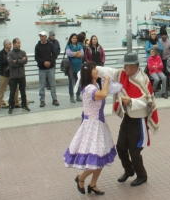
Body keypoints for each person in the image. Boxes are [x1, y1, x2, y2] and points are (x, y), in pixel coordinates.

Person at [96, 53, 159, 187]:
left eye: (126, 65)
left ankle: (142, 175)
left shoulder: (144, 79)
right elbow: (108, 71)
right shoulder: (123, 74)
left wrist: (130, 100)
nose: (124, 67)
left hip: (138, 118)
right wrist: (92, 68)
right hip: (128, 117)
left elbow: (147, 100)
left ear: (134, 66)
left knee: (134, 150)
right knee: (120, 146)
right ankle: (129, 170)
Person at [64, 62, 116, 195]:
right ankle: (81, 178)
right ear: (89, 73)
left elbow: (103, 93)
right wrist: (107, 80)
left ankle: (93, 184)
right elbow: (103, 95)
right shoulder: (89, 89)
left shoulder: (95, 85)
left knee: (101, 157)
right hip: (92, 126)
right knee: (95, 157)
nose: (96, 70)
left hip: (99, 124)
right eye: (94, 69)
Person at [35, 31, 59, 107]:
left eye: (43, 36)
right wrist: (43, 62)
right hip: (42, 68)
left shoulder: (50, 45)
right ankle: (42, 100)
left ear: (46, 37)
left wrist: (50, 62)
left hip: (51, 67)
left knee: (53, 84)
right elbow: (36, 57)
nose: (41, 38)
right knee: (42, 85)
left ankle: (54, 99)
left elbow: (55, 54)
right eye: (40, 36)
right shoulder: (37, 46)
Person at [7, 38, 30, 114]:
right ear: (14, 44)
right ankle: (11, 107)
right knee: (12, 93)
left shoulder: (23, 52)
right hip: (13, 76)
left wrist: (16, 60)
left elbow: (25, 61)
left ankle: (24, 106)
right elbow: (11, 63)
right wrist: (20, 61)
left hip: (22, 76)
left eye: (20, 43)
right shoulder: (10, 53)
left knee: (23, 92)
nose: (19, 44)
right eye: (18, 43)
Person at [0, 39, 19, 112]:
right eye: (9, 44)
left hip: (12, 74)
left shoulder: (12, 52)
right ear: (5, 45)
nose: (10, 45)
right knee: (1, 90)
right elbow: (0, 63)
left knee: (15, 89)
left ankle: (16, 103)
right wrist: (9, 61)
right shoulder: (1, 53)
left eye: (11, 44)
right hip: (3, 74)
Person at [66, 33, 84, 102]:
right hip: (71, 68)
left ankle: (78, 96)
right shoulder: (68, 46)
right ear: (71, 39)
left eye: (75, 38)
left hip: (79, 67)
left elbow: (82, 54)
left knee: (78, 82)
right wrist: (77, 53)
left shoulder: (79, 46)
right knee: (71, 82)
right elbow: (68, 54)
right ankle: (71, 97)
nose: (74, 39)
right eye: (73, 38)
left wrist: (74, 54)